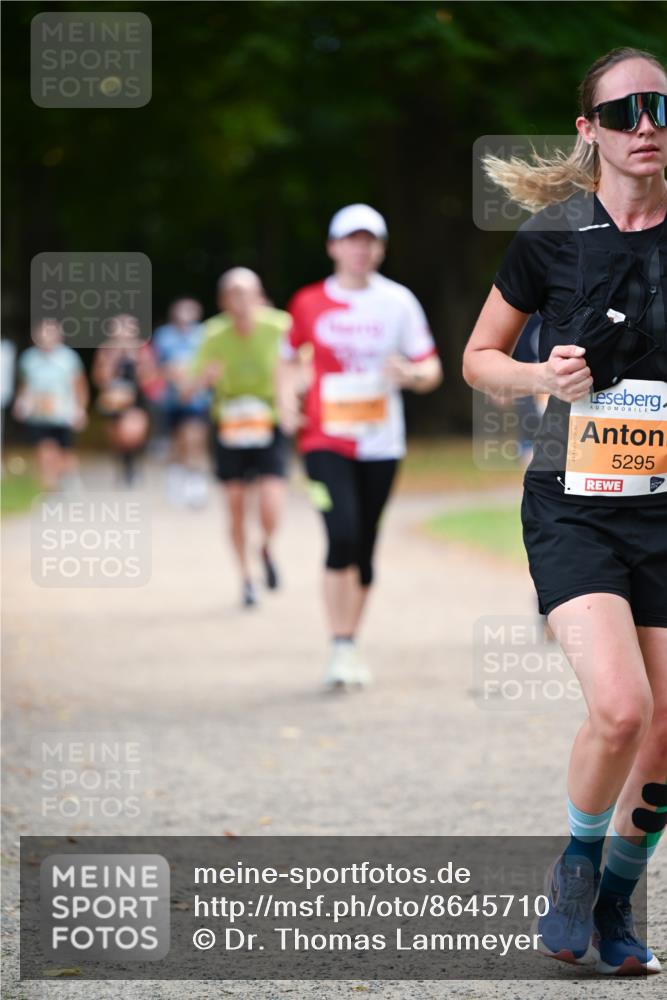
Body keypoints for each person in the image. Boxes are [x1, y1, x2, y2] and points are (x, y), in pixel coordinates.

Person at [463, 49, 666, 975]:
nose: (647, 124)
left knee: (666, 735)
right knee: (621, 711)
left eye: (660, 106)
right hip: (573, 504)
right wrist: (539, 375)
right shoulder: (550, 237)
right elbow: (478, 359)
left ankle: (620, 905)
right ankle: (579, 868)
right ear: (590, 130)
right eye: (626, 110)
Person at [278, 204, 442, 690]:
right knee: (342, 533)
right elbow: (287, 361)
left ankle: (350, 641)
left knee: (366, 544)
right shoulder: (308, 302)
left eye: (369, 241)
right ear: (333, 247)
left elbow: (431, 369)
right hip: (324, 440)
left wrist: (410, 375)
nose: (360, 249)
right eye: (351, 239)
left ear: (380, 249)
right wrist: (287, 400)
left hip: (381, 443)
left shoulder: (399, 302)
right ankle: (339, 644)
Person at [190, 268, 290, 607]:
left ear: (260, 296)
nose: (241, 300)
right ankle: (246, 578)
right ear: (223, 301)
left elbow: (305, 367)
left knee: (270, 502)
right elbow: (189, 387)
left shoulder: (280, 327)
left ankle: (264, 545)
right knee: (235, 507)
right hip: (230, 426)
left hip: (268, 422)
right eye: (233, 293)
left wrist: (292, 392)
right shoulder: (213, 334)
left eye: (247, 292)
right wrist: (205, 378)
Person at [12, 319, 88, 490]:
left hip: (63, 413)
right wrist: (21, 403)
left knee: (64, 452)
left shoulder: (69, 358)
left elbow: (79, 386)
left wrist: (80, 409)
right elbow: (24, 385)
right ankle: (50, 485)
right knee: (44, 449)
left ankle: (67, 478)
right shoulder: (28, 358)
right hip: (39, 414)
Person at [153, 298, 211, 508]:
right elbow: (155, 365)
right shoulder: (163, 336)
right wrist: (172, 376)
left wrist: (194, 384)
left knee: (194, 438)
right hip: (172, 399)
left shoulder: (204, 335)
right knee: (178, 441)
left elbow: (211, 364)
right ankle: (176, 477)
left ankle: (196, 482)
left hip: (197, 399)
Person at [92, 314, 155, 486]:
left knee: (133, 435)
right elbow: (99, 378)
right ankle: (123, 469)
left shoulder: (142, 350)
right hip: (114, 400)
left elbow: (149, 376)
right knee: (117, 438)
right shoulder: (106, 350)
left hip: (136, 400)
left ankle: (133, 467)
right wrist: (113, 359)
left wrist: (136, 360)